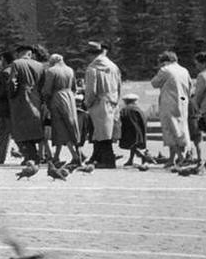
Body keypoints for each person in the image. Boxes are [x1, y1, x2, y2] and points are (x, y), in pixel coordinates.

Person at [82, 41, 122, 169]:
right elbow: (119, 85)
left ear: (91, 54)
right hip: (112, 101)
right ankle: (98, 157)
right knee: (107, 131)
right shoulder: (113, 66)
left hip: (99, 102)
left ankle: (108, 160)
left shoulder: (92, 68)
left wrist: (87, 103)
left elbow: (91, 91)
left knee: (101, 132)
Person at [150, 50, 194, 163]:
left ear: (164, 61)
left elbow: (154, 83)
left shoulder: (165, 70)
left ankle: (179, 158)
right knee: (182, 129)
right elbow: (190, 86)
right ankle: (175, 157)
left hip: (169, 103)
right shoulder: (184, 70)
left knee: (170, 130)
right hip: (183, 102)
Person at [40, 52, 83, 166]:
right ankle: (62, 155)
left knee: (59, 127)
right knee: (72, 126)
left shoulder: (51, 71)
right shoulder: (70, 70)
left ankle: (74, 156)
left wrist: (45, 101)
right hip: (70, 98)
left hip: (57, 98)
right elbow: (74, 88)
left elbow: (47, 90)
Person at [6, 45, 46, 163]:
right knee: (34, 127)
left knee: (21, 128)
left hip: (21, 98)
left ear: (19, 53)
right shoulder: (40, 65)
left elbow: (12, 82)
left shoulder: (16, 64)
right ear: (30, 54)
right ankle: (36, 154)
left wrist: (11, 95)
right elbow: (43, 84)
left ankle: (30, 156)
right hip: (36, 98)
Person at [118, 94, 150, 166]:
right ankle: (132, 159)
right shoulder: (138, 109)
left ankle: (143, 156)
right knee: (134, 145)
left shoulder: (125, 109)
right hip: (138, 131)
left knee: (132, 145)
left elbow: (122, 119)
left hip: (129, 131)